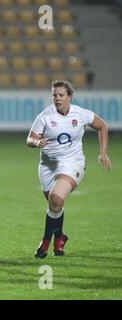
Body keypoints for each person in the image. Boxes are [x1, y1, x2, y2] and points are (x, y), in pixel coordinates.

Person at [27, 80, 111, 258]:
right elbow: (30, 139)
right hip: (47, 166)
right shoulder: (45, 116)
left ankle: (45, 242)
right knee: (54, 206)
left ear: (69, 97)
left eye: (61, 95)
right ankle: (60, 238)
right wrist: (37, 142)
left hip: (73, 162)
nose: (57, 98)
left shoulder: (80, 114)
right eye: (54, 95)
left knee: (56, 199)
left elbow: (102, 126)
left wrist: (103, 152)